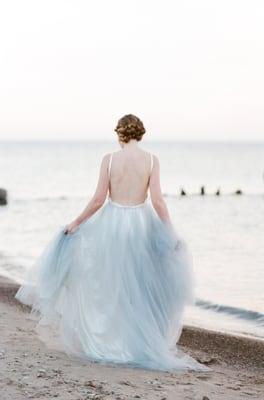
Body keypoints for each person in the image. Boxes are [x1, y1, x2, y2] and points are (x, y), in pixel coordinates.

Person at [15, 114, 210, 372]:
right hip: (141, 224)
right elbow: (158, 201)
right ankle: (135, 343)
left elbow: (98, 200)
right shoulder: (151, 160)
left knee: (108, 285)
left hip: (112, 225)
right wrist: (170, 232)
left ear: (120, 134)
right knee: (139, 288)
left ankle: (110, 342)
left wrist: (76, 223)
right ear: (141, 134)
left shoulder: (109, 160)